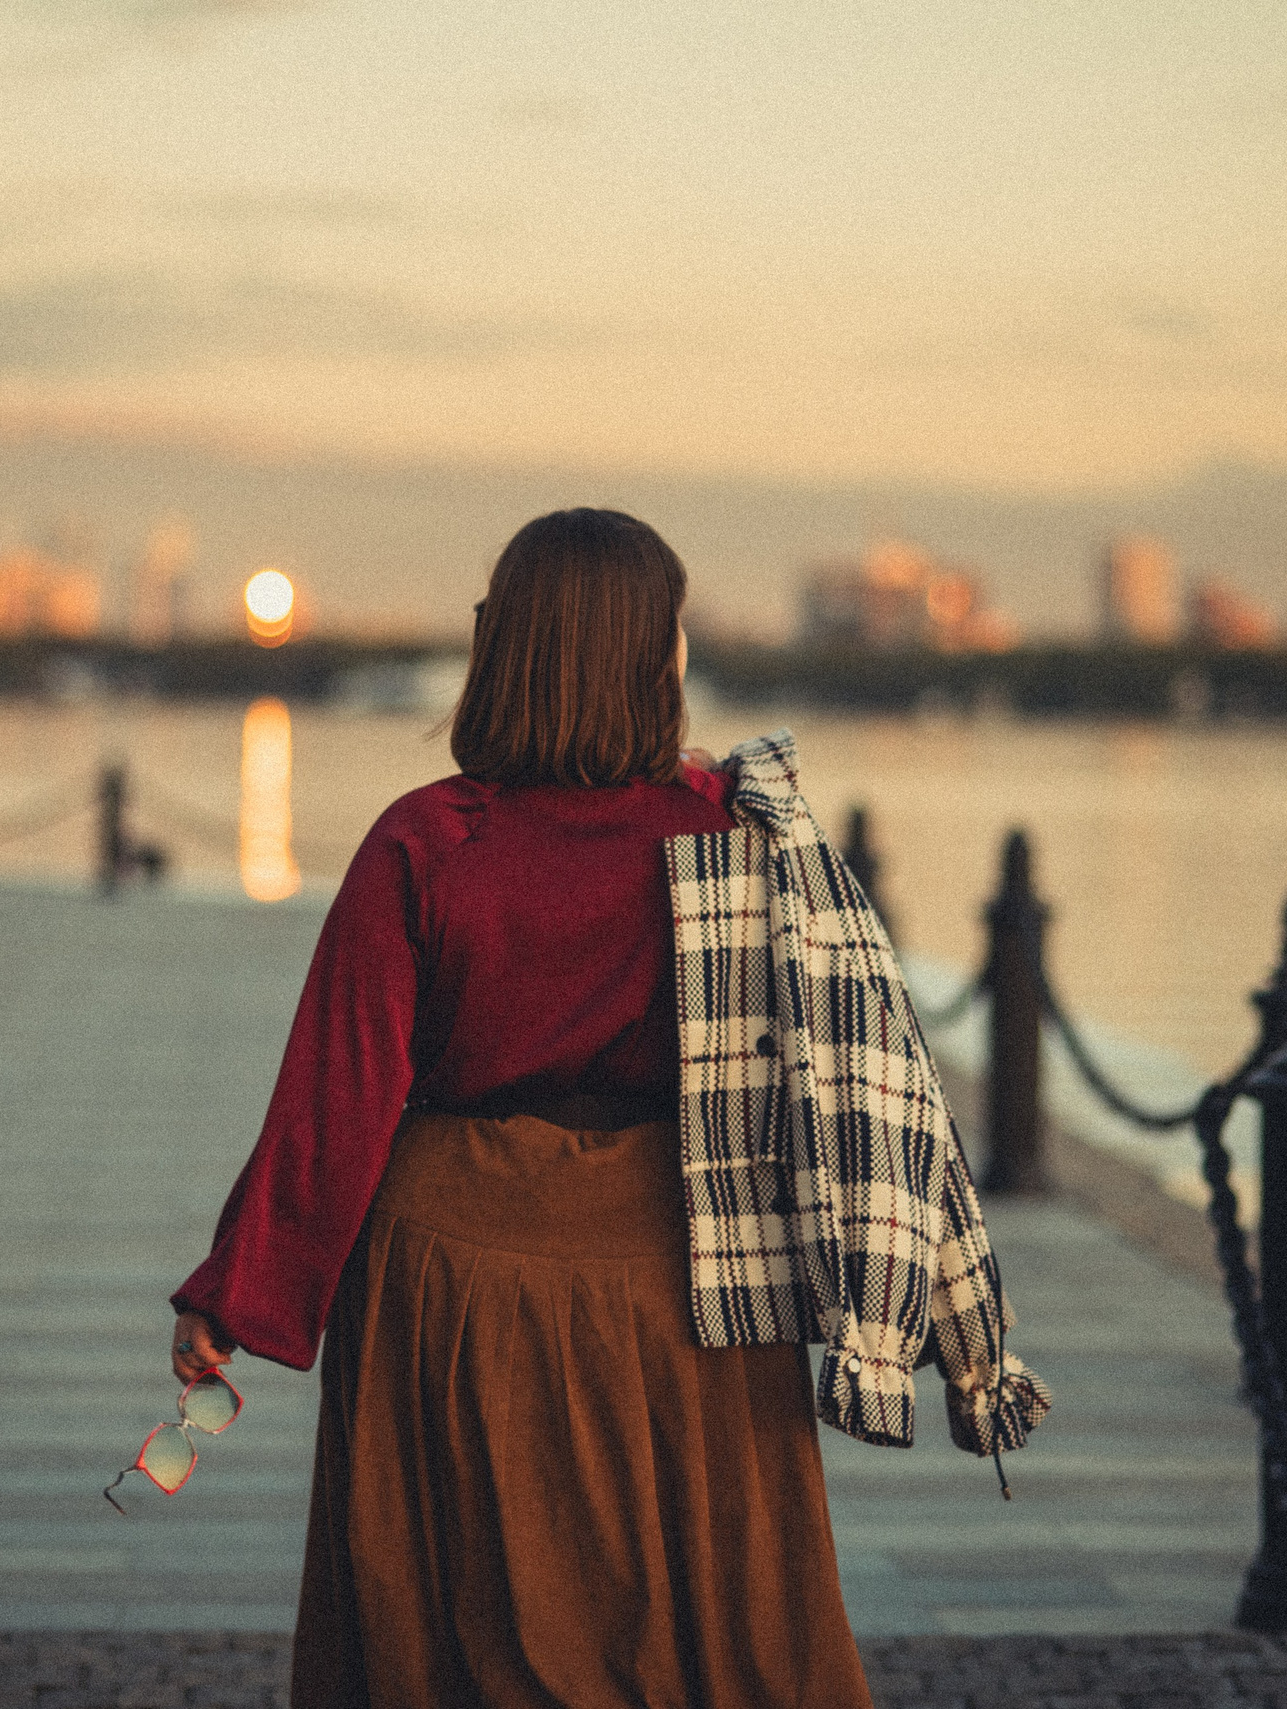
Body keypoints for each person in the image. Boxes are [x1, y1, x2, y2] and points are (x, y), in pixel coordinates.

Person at [166, 509, 1046, 1708]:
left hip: (453, 1278)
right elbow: (853, 1081)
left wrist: (239, 1294)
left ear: (505, 646)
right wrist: (950, 1330)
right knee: (710, 1616)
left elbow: (339, 1093)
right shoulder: (734, 834)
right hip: (683, 1280)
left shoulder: (429, 837)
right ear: (654, 655)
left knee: (457, 1621)